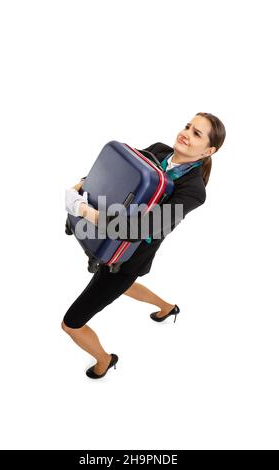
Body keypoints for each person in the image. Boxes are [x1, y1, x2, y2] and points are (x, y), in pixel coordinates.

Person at [62, 112, 226, 379]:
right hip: (106, 239)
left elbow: (142, 229)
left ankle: (104, 360)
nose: (186, 133)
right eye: (188, 126)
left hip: (128, 259)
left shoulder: (194, 190)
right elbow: (118, 174)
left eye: (197, 134)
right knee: (124, 288)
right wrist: (82, 185)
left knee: (71, 324)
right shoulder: (160, 150)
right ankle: (167, 308)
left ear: (209, 150)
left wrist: (84, 212)